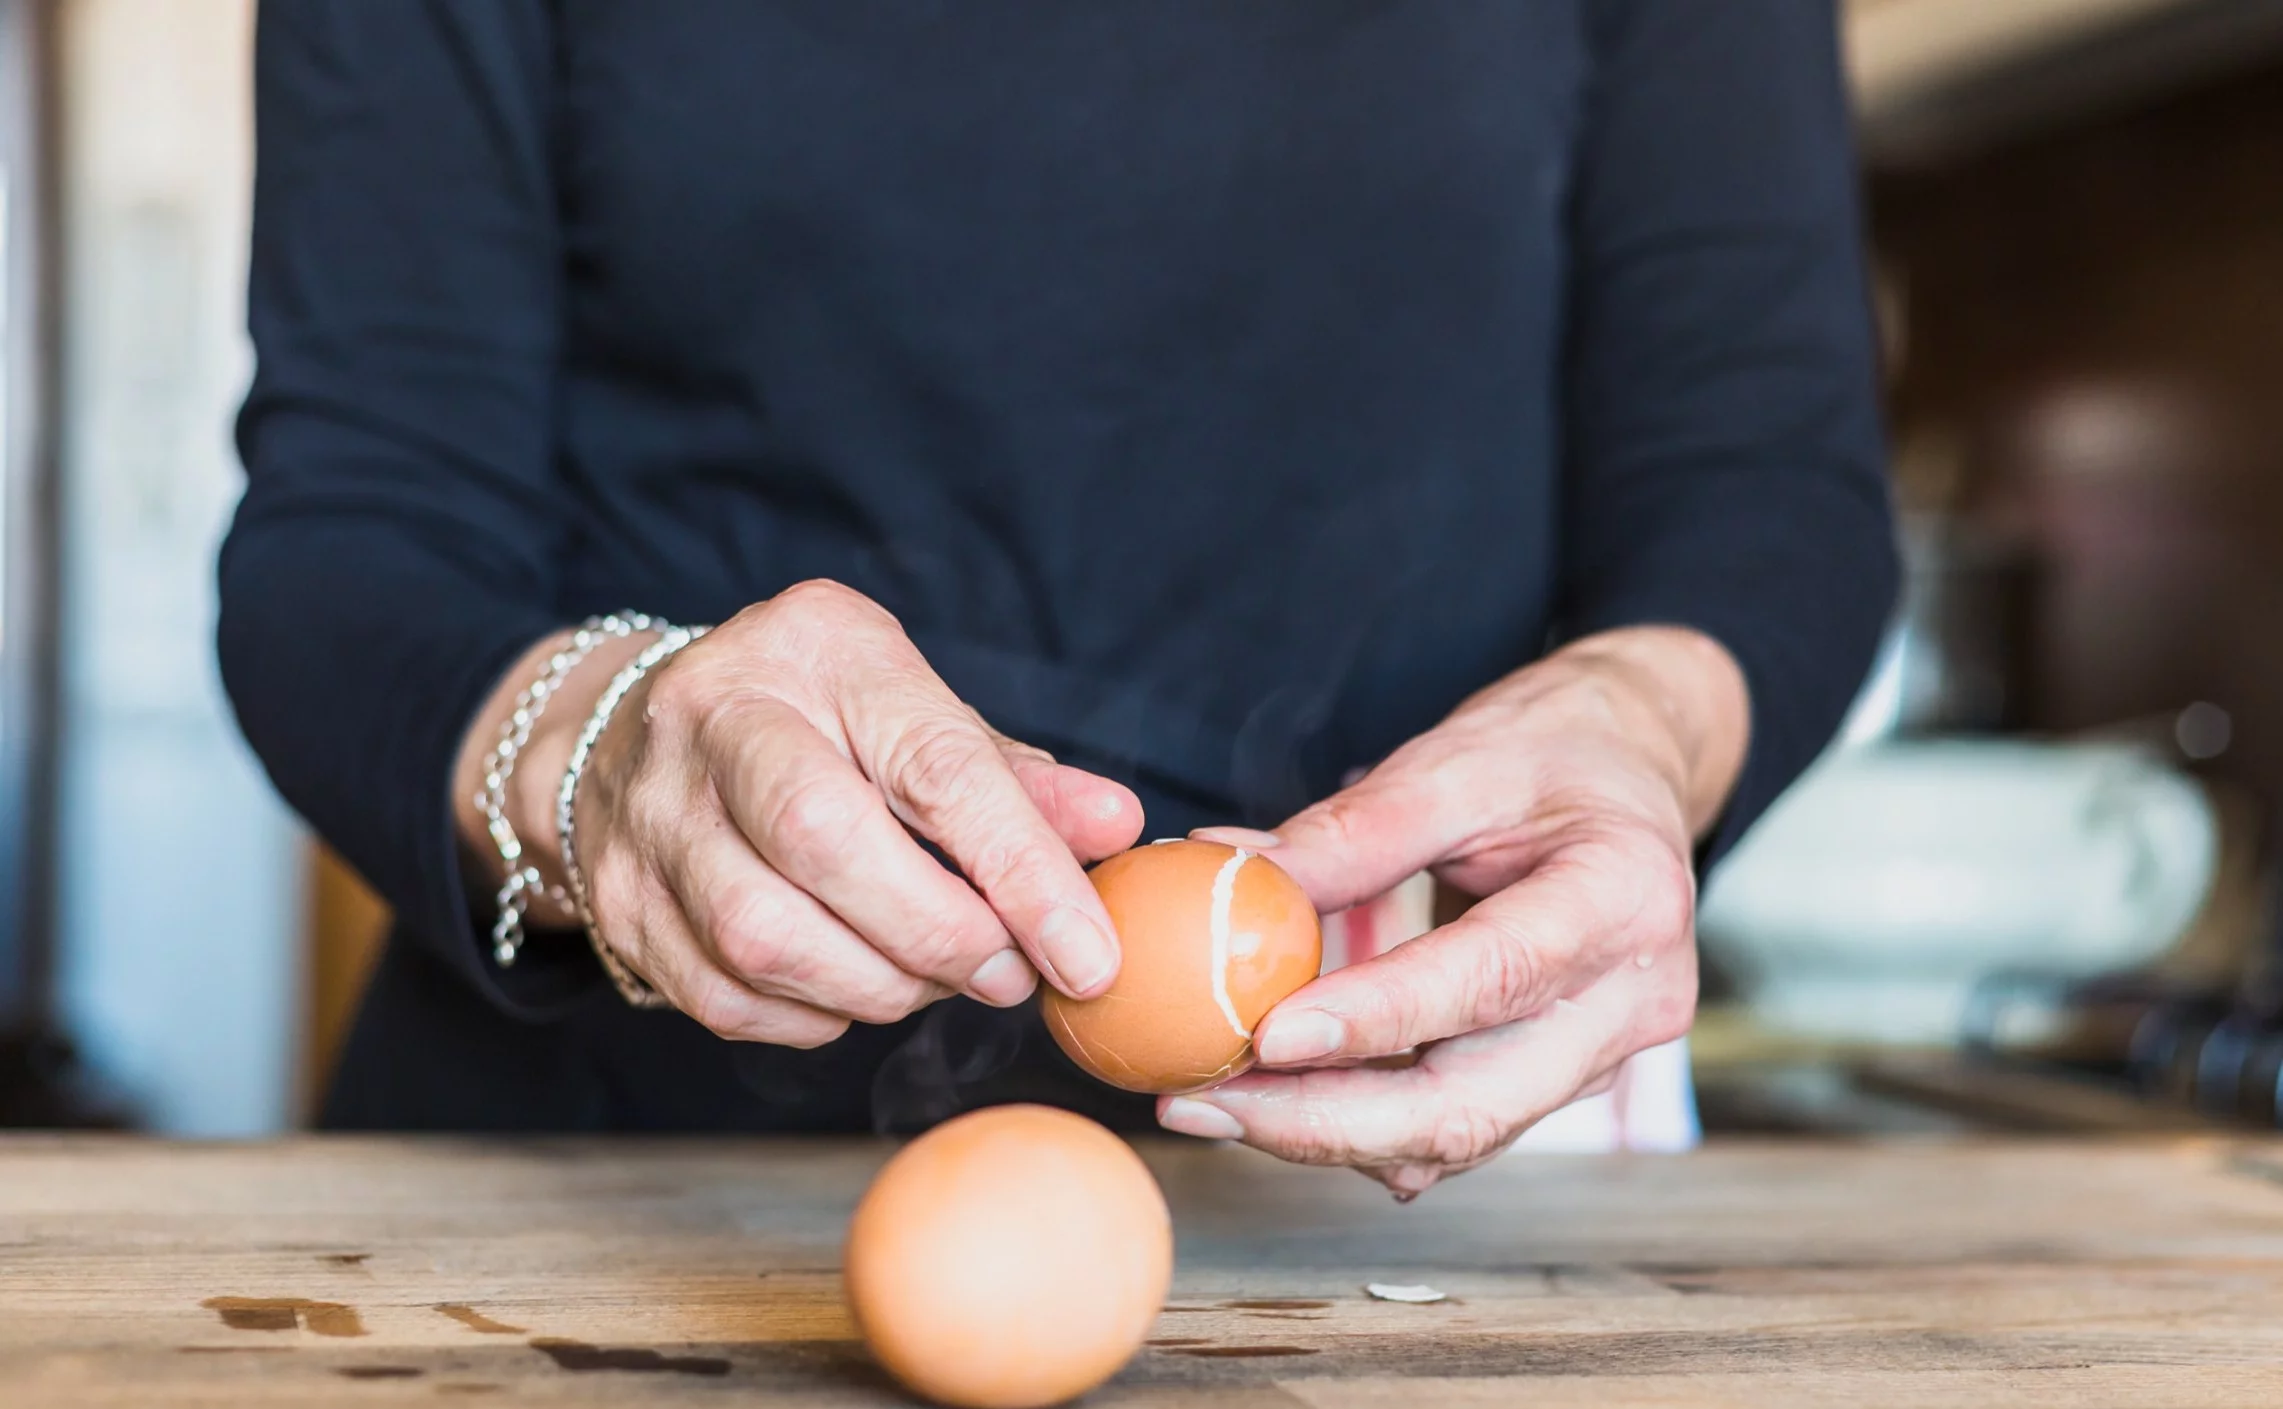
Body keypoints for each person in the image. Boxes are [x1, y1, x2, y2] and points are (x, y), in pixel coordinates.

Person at [219, 2, 1897, 1193]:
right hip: (612, 1194)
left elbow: (1763, 488)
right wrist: (604, 750)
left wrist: (1643, 724)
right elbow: (351, 538)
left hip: (1425, 1192)